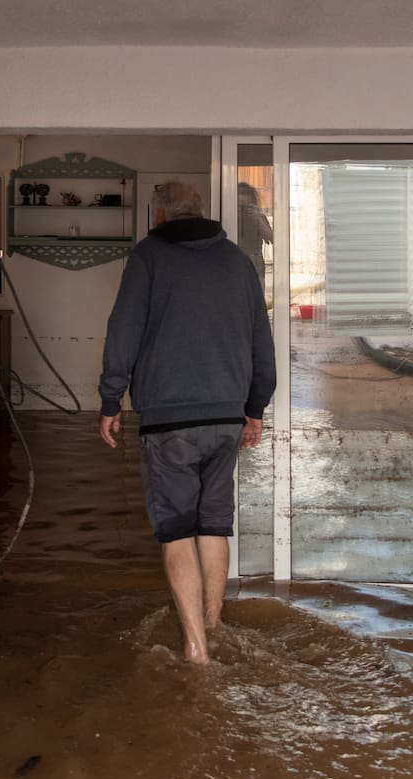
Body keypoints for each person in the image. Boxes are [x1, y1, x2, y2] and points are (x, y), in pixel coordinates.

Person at [98, 181, 277, 665]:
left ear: (158, 216)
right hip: (225, 418)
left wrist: (110, 399)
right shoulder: (238, 263)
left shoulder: (148, 258)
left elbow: (123, 330)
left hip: (169, 420)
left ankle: (196, 650)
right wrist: (255, 407)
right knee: (213, 525)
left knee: (176, 531)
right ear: (200, 212)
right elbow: (262, 340)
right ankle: (215, 625)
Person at [236, 182, 273, 285]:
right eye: (239, 206)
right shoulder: (229, 217)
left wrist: (258, 220)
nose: (242, 210)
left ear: (253, 204)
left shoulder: (258, 217)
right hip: (234, 259)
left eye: (246, 206)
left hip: (255, 261)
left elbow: (271, 238)